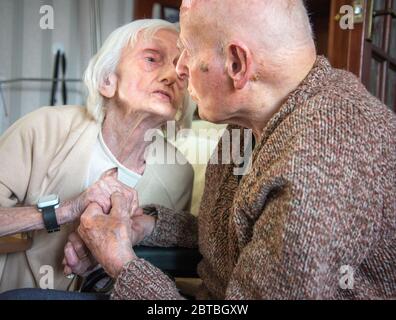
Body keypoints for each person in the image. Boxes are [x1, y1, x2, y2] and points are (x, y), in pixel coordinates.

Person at [60, 0, 396, 299]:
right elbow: (234, 233)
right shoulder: (249, 123)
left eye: (187, 52)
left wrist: (122, 265)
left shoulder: (320, 157)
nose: (179, 70)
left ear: (237, 65)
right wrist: (144, 226)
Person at [0, 19, 194, 293]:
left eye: (180, 70)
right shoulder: (43, 129)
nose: (171, 76)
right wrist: (66, 211)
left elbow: (157, 266)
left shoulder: (179, 174)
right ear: (107, 81)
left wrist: (100, 262)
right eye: (152, 59)